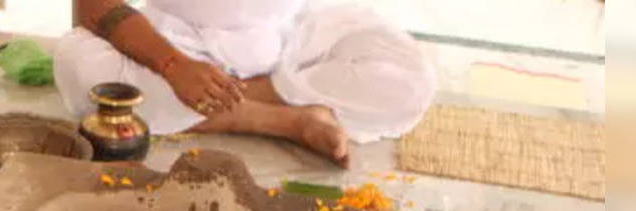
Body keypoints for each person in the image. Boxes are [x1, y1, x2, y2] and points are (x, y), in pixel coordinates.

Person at [56, 0, 436, 167]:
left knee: (408, 78)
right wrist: (174, 67)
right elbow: (93, 6)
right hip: (177, 42)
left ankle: (234, 99)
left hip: (290, 37)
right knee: (81, 68)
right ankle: (289, 121)